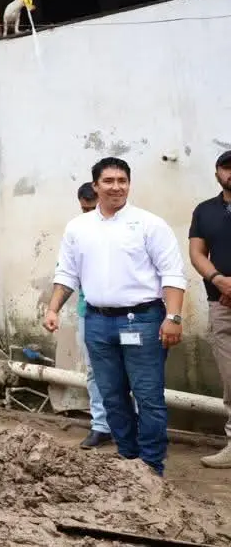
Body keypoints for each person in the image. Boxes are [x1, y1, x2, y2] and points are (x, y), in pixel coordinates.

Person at [44, 156, 185, 477]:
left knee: (148, 396)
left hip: (144, 321)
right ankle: (128, 459)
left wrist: (173, 317)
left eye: (122, 181)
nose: (116, 187)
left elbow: (173, 275)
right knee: (111, 395)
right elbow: (66, 273)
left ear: (129, 184)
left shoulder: (150, 224)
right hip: (97, 322)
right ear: (96, 186)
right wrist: (53, 308)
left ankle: (151, 467)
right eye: (108, 181)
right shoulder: (78, 227)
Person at [189, 150, 231, 468]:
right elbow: (197, 253)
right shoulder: (205, 211)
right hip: (222, 305)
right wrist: (220, 281)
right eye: (227, 168)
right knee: (230, 377)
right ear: (217, 172)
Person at [71, 183, 113, 450]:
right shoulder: (77, 230)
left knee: (126, 371)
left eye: (91, 207)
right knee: (95, 372)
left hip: (125, 314)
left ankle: (127, 424)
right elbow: (67, 270)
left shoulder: (122, 228)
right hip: (89, 312)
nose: (88, 213)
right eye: (83, 208)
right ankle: (101, 425)